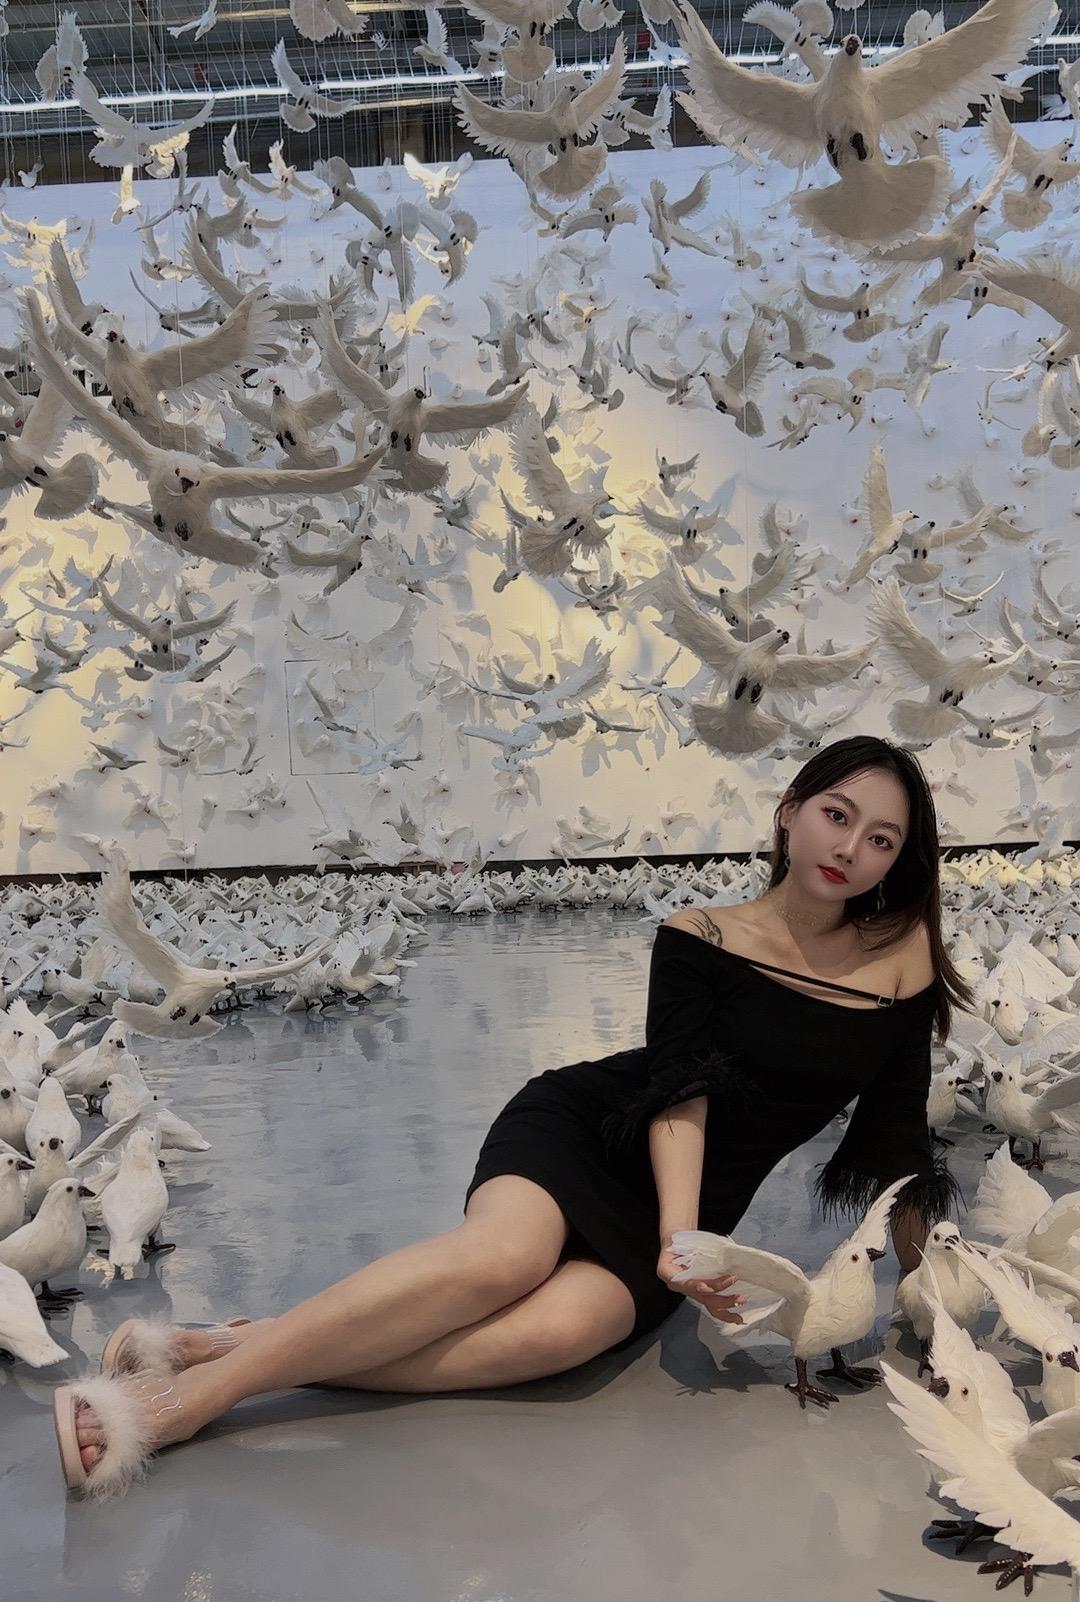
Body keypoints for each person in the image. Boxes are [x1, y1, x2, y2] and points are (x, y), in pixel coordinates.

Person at [53, 734, 974, 1496]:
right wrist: (680, 1237)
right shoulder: (699, 934)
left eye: (881, 839)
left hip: (691, 1206)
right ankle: (186, 1405)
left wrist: (931, 1300)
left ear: (900, 859)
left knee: (558, 1338)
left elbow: (899, 1136)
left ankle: (227, 1345)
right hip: (591, 1134)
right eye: (836, 815)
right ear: (790, 811)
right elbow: (677, 1094)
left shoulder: (901, 959)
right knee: (503, 1260)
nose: (850, 848)